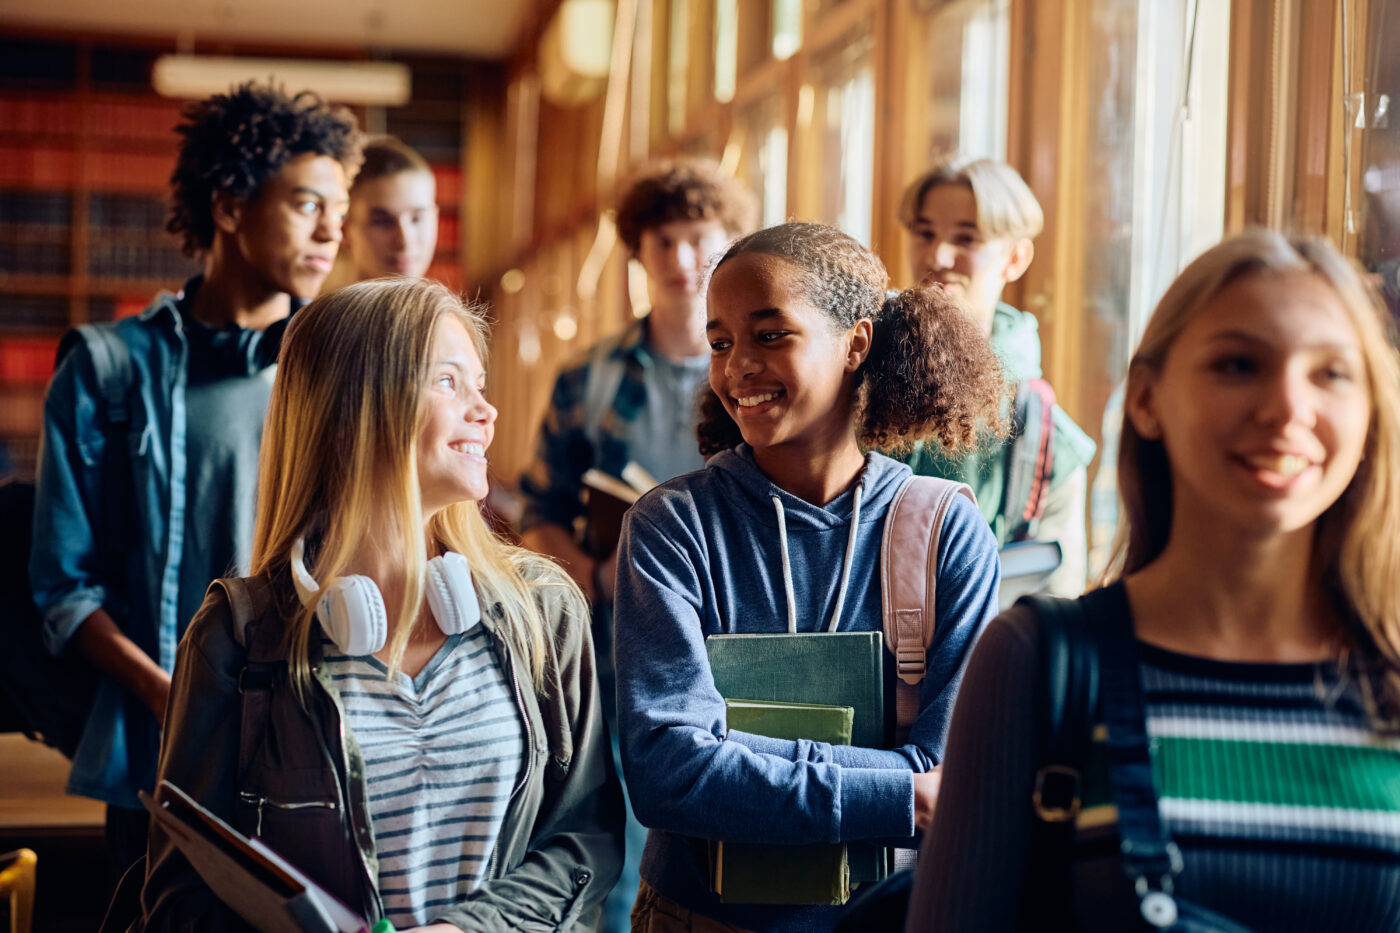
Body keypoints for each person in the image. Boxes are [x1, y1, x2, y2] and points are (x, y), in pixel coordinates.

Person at [908, 230, 1400, 931]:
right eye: (1238, 364)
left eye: (1331, 373)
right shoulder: (1036, 662)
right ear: (1145, 399)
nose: (1288, 409)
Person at [141, 278, 625, 930]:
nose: (487, 411)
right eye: (450, 383)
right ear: (348, 417)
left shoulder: (544, 609)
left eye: (479, 384)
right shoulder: (238, 637)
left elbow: (584, 839)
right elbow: (181, 898)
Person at [614, 222, 1006, 933]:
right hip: (696, 920)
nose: (737, 368)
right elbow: (669, 769)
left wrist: (732, 750)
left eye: (770, 336)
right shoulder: (671, 527)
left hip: (890, 918)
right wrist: (898, 787)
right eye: (721, 342)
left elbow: (952, 780)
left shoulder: (945, 531)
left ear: (856, 344)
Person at [28, 82, 361, 877]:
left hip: (307, 750)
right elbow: (62, 588)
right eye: (308, 203)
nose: (330, 231)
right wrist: (164, 693)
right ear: (229, 205)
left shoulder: (334, 375)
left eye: (339, 212)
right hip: (156, 755)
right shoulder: (106, 368)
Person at [518, 157, 755, 932]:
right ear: (639, 252)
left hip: (734, 642)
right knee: (607, 821)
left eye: (701, 242)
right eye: (665, 243)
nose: (684, 261)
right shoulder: (587, 378)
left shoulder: (757, 383)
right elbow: (538, 509)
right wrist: (592, 568)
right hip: (609, 643)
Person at [895, 154, 1096, 596]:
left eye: (966, 238)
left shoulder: (1043, 435)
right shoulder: (850, 371)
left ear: (1016, 258)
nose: (938, 256)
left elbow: (1053, 605)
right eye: (924, 232)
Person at [324, 135, 439, 288]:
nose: (404, 240)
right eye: (383, 222)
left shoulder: (445, 311)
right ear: (344, 228)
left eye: (417, 219)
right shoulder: (323, 311)